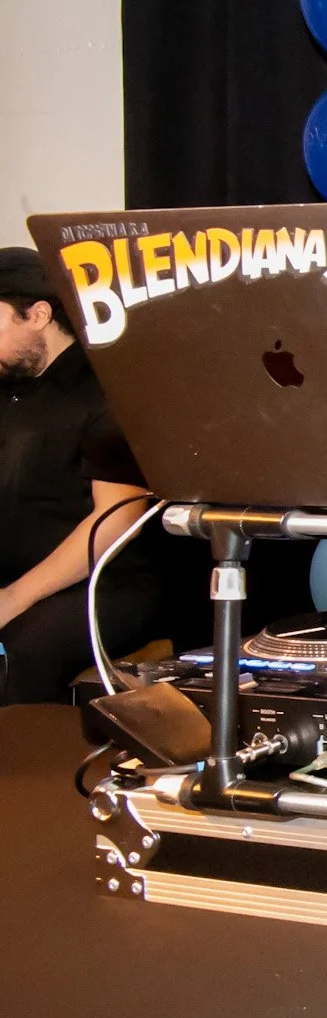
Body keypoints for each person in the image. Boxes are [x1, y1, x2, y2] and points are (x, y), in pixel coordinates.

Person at [0, 247, 161, 704]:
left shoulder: (107, 388)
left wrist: (13, 599)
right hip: (13, 579)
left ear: (38, 315)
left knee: (19, 655)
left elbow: (116, 517)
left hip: (103, 586)